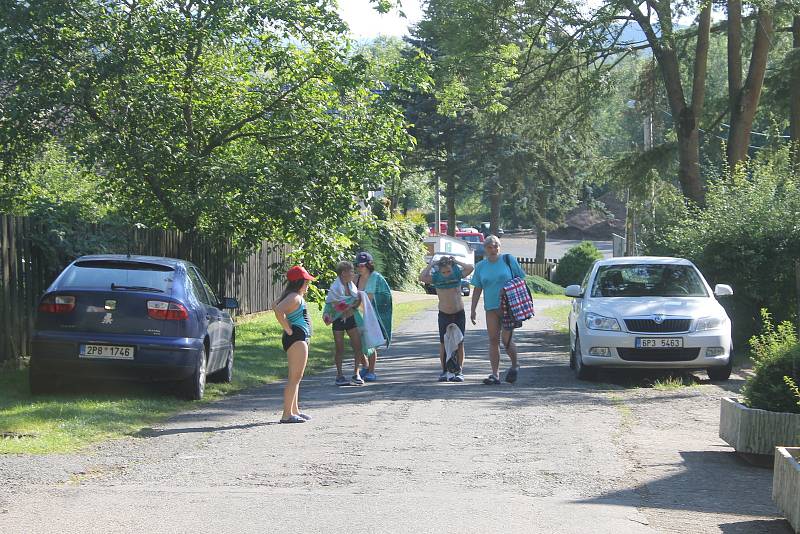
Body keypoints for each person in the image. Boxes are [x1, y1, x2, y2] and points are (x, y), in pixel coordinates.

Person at [469, 235, 525, 385]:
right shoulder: (481, 266)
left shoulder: (508, 260)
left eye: (496, 246)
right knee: (493, 340)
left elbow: (521, 279)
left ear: (499, 247)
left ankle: (515, 365)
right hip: (491, 308)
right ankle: (495, 374)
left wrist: (507, 289)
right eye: (489, 247)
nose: (493, 249)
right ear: (485, 249)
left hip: (509, 307)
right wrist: (473, 309)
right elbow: (477, 288)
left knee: (506, 340)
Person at [419, 255, 474, 382]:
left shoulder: (457, 274)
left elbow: (470, 268)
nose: (446, 274)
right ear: (439, 271)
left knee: (460, 343)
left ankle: (459, 371)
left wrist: (456, 261)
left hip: (458, 313)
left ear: (452, 268)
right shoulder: (436, 278)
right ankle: (444, 371)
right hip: (444, 314)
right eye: (443, 272)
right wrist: (431, 265)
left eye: (448, 271)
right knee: (443, 343)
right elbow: (422, 277)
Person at [273, 265, 315, 423]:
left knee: (297, 377)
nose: (308, 285)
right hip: (296, 338)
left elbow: (274, 305)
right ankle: (286, 414)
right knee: (294, 378)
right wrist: (288, 329)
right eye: (306, 282)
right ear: (300, 282)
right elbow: (278, 310)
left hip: (298, 337)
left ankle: (294, 410)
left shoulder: (292, 295)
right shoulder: (294, 297)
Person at [323, 261, 365, 386]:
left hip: (351, 319)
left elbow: (356, 301)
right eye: (351, 271)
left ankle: (356, 373)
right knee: (339, 348)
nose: (353, 273)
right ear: (343, 273)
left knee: (358, 346)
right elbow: (334, 304)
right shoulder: (335, 288)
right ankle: (339, 375)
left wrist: (352, 306)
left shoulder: (352, 286)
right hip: (338, 320)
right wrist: (347, 307)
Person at [355, 251, 392, 381]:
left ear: (369, 265)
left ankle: (371, 371)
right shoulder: (356, 278)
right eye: (357, 265)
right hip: (358, 313)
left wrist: (354, 298)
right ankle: (365, 365)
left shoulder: (376, 277)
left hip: (374, 316)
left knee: (370, 344)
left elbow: (370, 298)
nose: (359, 268)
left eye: (362, 265)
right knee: (357, 343)